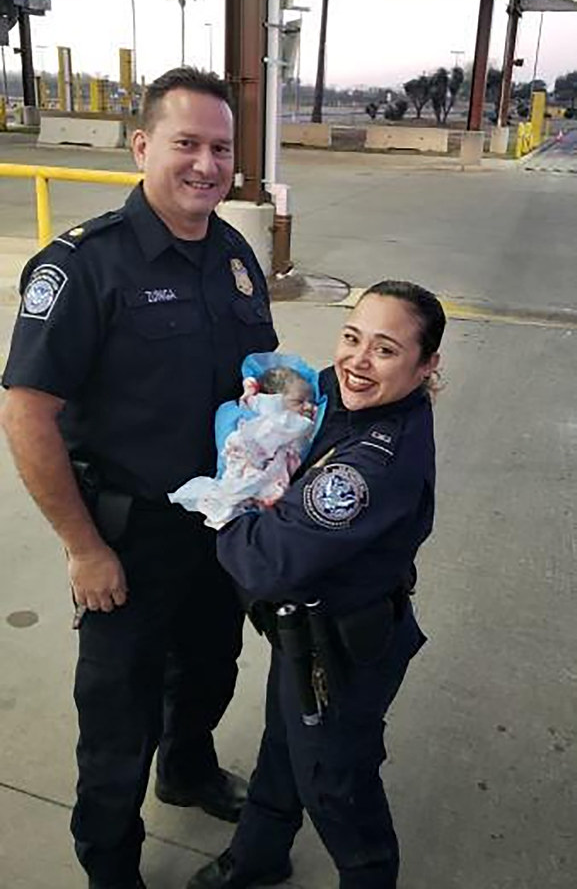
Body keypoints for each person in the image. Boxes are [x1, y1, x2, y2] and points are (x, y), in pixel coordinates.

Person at [0, 66, 278, 889]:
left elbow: (251, 376)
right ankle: (110, 866)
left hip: (218, 524)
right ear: (141, 146)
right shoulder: (83, 267)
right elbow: (27, 415)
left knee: (211, 665)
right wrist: (84, 549)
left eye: (220, 148)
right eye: (186, 143)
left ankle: (186, 770)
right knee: (116, 716)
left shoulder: (232, 252)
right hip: (125, 534)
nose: (205, 164)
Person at [187, 280, 446, 889]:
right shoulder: (357, 396)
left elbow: (268, 563)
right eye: (352, 337)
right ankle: (257, 858)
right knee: (283, 745)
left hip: (342, 650)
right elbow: (309, 388)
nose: (357, 361)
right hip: (305, 634)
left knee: (337, 783)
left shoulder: (371, 468)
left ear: (426, 364)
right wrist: (275, 400)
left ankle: (369, 875)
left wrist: (231, 504)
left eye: (385, 350)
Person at [170, 352, 323, 528]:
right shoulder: (245, 418)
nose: (309, 407)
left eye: (312, 401)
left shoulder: (305, 426)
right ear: (271, 399)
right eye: (299, 401)